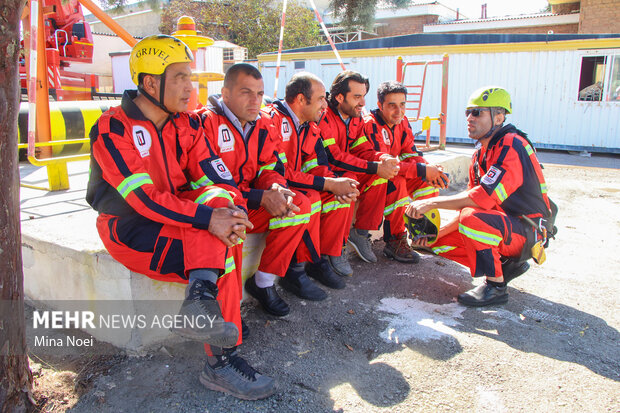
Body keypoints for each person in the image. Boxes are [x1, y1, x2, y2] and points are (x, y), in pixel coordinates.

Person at [86, 35, 275, 400]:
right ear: (150, 82)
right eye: (180, 78)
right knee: (216, 232)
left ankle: (200, 305)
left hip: (175, 220)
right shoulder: (115, 128)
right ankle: (220, 362)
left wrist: (226, 209)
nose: (191, 88)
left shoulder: (186, 125)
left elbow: (219, 181)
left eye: (191, 77)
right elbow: (142, 200)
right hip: (130, 230)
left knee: (221, 208)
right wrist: (210, 218)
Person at [406, 86, 555, 307]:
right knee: (436, 244)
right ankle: (506, 265)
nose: (469, 118)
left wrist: (431, 202)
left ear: (499, 116)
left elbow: (480, 199)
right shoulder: (479, 155)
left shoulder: (512, 144)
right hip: (503, 225)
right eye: (468, 112)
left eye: (477, 113)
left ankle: (495, 287)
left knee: (471, 219)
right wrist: (435, 236)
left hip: (527, 229)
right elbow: (469, 203)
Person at [200, 63, 313, 317]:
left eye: (260, 94)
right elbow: (210, 184)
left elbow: (269, 166)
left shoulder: (262, 122)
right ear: (225, 94)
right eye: (246, 92)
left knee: (299, 204)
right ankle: (227, 307)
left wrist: (276, 187)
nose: (255, 101)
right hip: (224, 207)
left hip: (252, 201)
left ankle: (262, 282)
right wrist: (260, 197)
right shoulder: (206, 123)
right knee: (233, 220)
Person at [263, 72, 360, 293]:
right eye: (320, 99)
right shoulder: (272, 121)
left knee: (343, 194)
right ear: (300, 100)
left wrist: (336, 182)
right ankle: (296, 269)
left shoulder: (309, 125)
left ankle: (321, 259)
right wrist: (327, 183)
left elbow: (315, 165)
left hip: (297, 184)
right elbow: (279, 172)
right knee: (310, 198)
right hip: (274, 188)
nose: (325, 104)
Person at [317, 71, 400, 274]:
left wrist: (382, 158)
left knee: (379, 178)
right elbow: (333, 157)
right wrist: (373, 166)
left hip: (349, 169)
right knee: (351, 181)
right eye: (357, 97)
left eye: (364, 96)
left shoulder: (355, 117)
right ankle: (336, 250)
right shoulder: (324, 117)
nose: (363, 102)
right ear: (339, 97)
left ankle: (360, 233)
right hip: (326, 173)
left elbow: (363, 149)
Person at [363, 81, 449, 263]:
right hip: (373, 177)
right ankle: (395, 239)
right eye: (392, 105)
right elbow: (385, 164)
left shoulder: (402, 122)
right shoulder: (370, 124)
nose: (399, 111)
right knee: (398, 182)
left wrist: (431, 170)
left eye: (402, 105)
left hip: (394, 171)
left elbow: (410, 153)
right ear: (379, 105)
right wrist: (423, 169)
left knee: (428, 182)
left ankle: (420, 235)